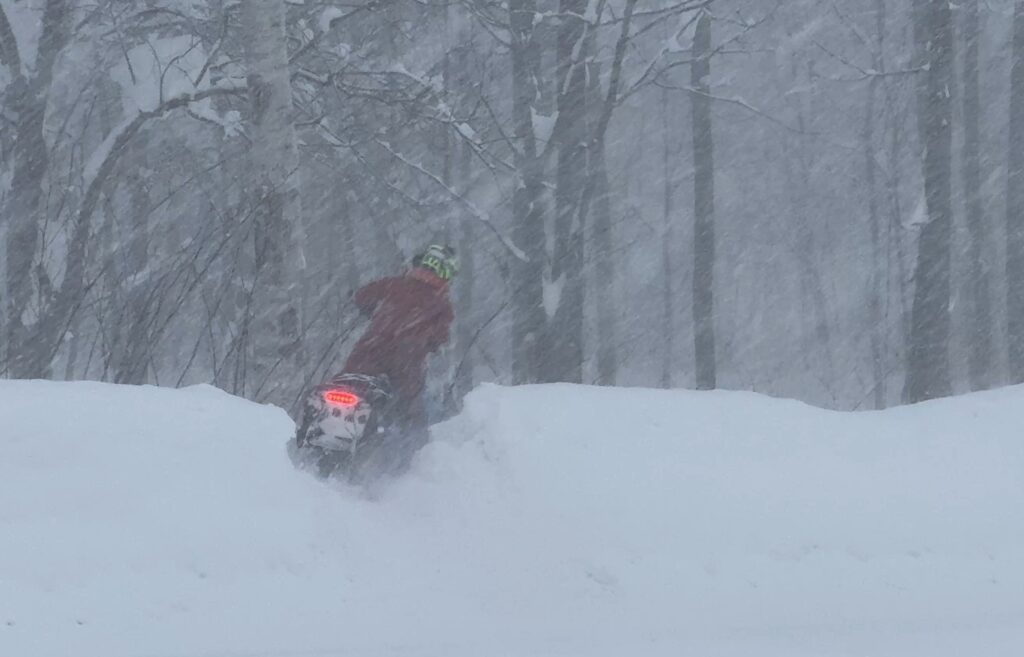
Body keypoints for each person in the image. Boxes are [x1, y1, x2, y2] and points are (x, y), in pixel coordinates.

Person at [340, 244, 457, 464]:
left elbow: (361, 297)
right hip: (405, 366)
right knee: (410, 418)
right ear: (447, 274)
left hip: (365, 357)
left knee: (343, 389)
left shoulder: (393, 285)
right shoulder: (441, 305)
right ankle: (405, 470)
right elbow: (440, 339)